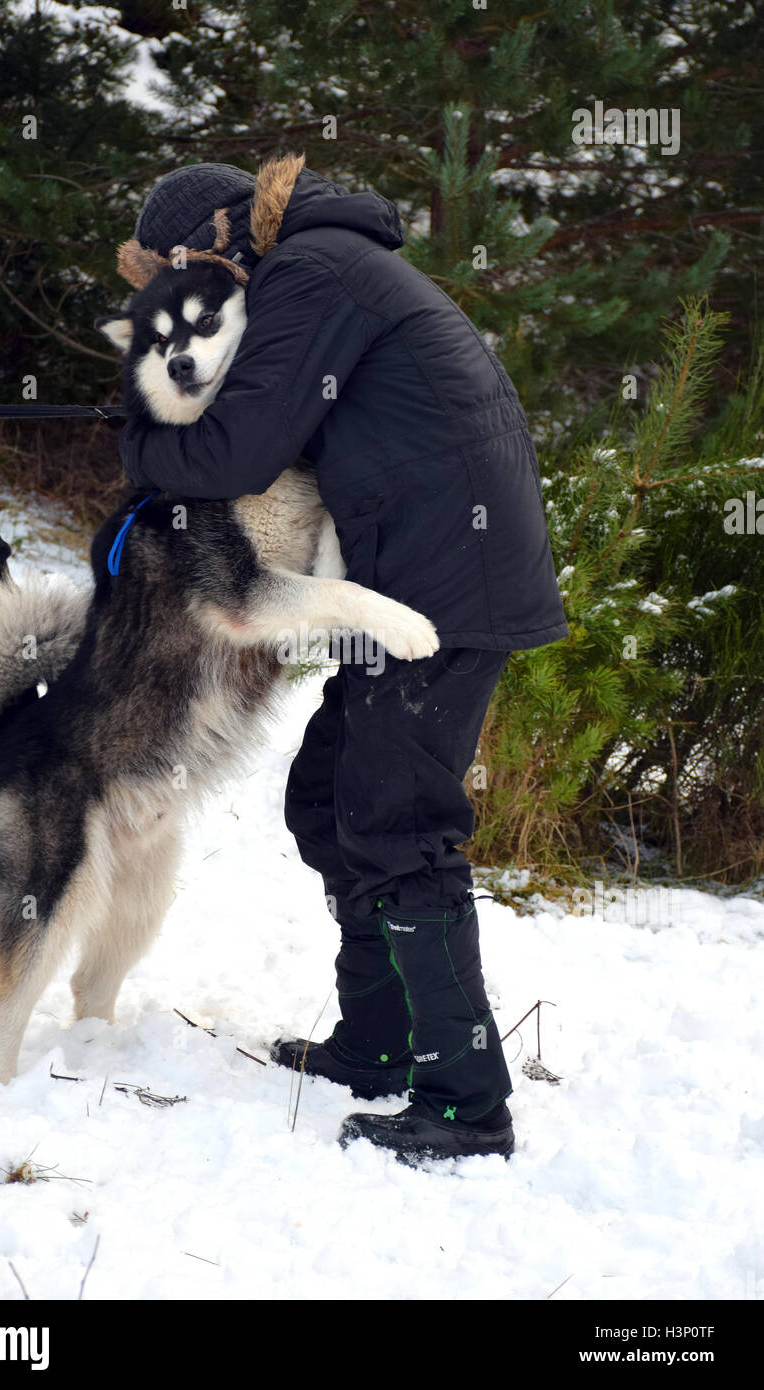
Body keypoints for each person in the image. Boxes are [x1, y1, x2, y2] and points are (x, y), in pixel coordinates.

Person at [118, 152, 569, 1164]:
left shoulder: (312, 268)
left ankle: (463, 1103)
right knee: (327, 799)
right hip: (415, 573)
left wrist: (139, 451)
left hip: (445, 582)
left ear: (230, 229)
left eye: (184, 258)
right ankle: (378, 1040)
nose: (182, 282)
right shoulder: (323, 264)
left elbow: (236, 452)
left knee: (395, 823)